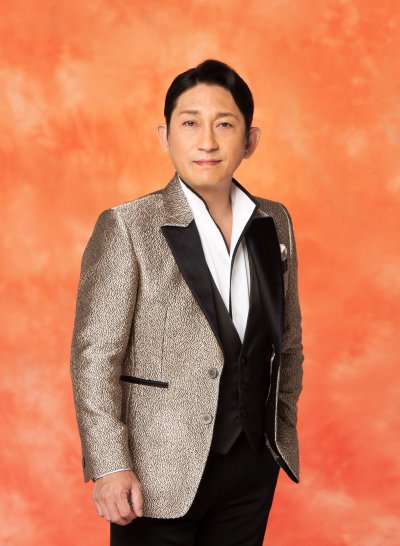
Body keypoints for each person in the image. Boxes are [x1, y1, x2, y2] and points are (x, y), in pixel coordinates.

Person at [70, 59, 304, 546]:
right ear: (166, 136)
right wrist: (110, 463)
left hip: (252, 466)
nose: (208, 141)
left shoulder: (274, 222)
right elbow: (94, 357)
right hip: (157, 471)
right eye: (190, 123)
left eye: (225, 124)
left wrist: (278, 429)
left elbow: (288, 341)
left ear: (250, 140)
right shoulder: (128, 226)